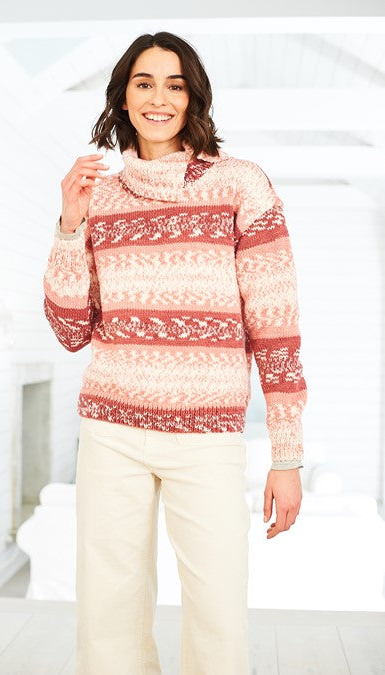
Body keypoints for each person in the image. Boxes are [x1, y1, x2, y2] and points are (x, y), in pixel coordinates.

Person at [43, 30, 307, 675]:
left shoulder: (240, 185)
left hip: (207, 436)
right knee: (107, 612)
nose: (159, 98)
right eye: (144, 83)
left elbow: (275, 327)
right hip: (111, 432)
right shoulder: (100, 195)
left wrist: (287, 455)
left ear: (193, 98)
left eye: (175, 84)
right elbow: (71, 329)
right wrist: (69, 225)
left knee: (218, 610)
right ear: (122, 98)